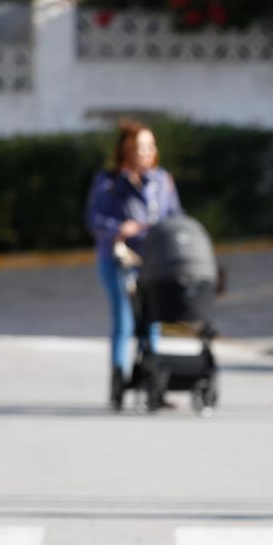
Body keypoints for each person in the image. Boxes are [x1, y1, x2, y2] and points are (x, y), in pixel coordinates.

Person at [84, 119, 182, 408]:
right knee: (125, 320)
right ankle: (118, 380)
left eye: (150, 147)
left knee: (152, 319)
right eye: (140, 147)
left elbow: (175, 215)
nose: (146, 152)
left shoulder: (162, 181)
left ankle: (152, 381)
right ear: (126, 150)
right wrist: (120, 228)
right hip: (118, 258)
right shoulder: (109, 181)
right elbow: (94, 219)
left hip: (152, 259)